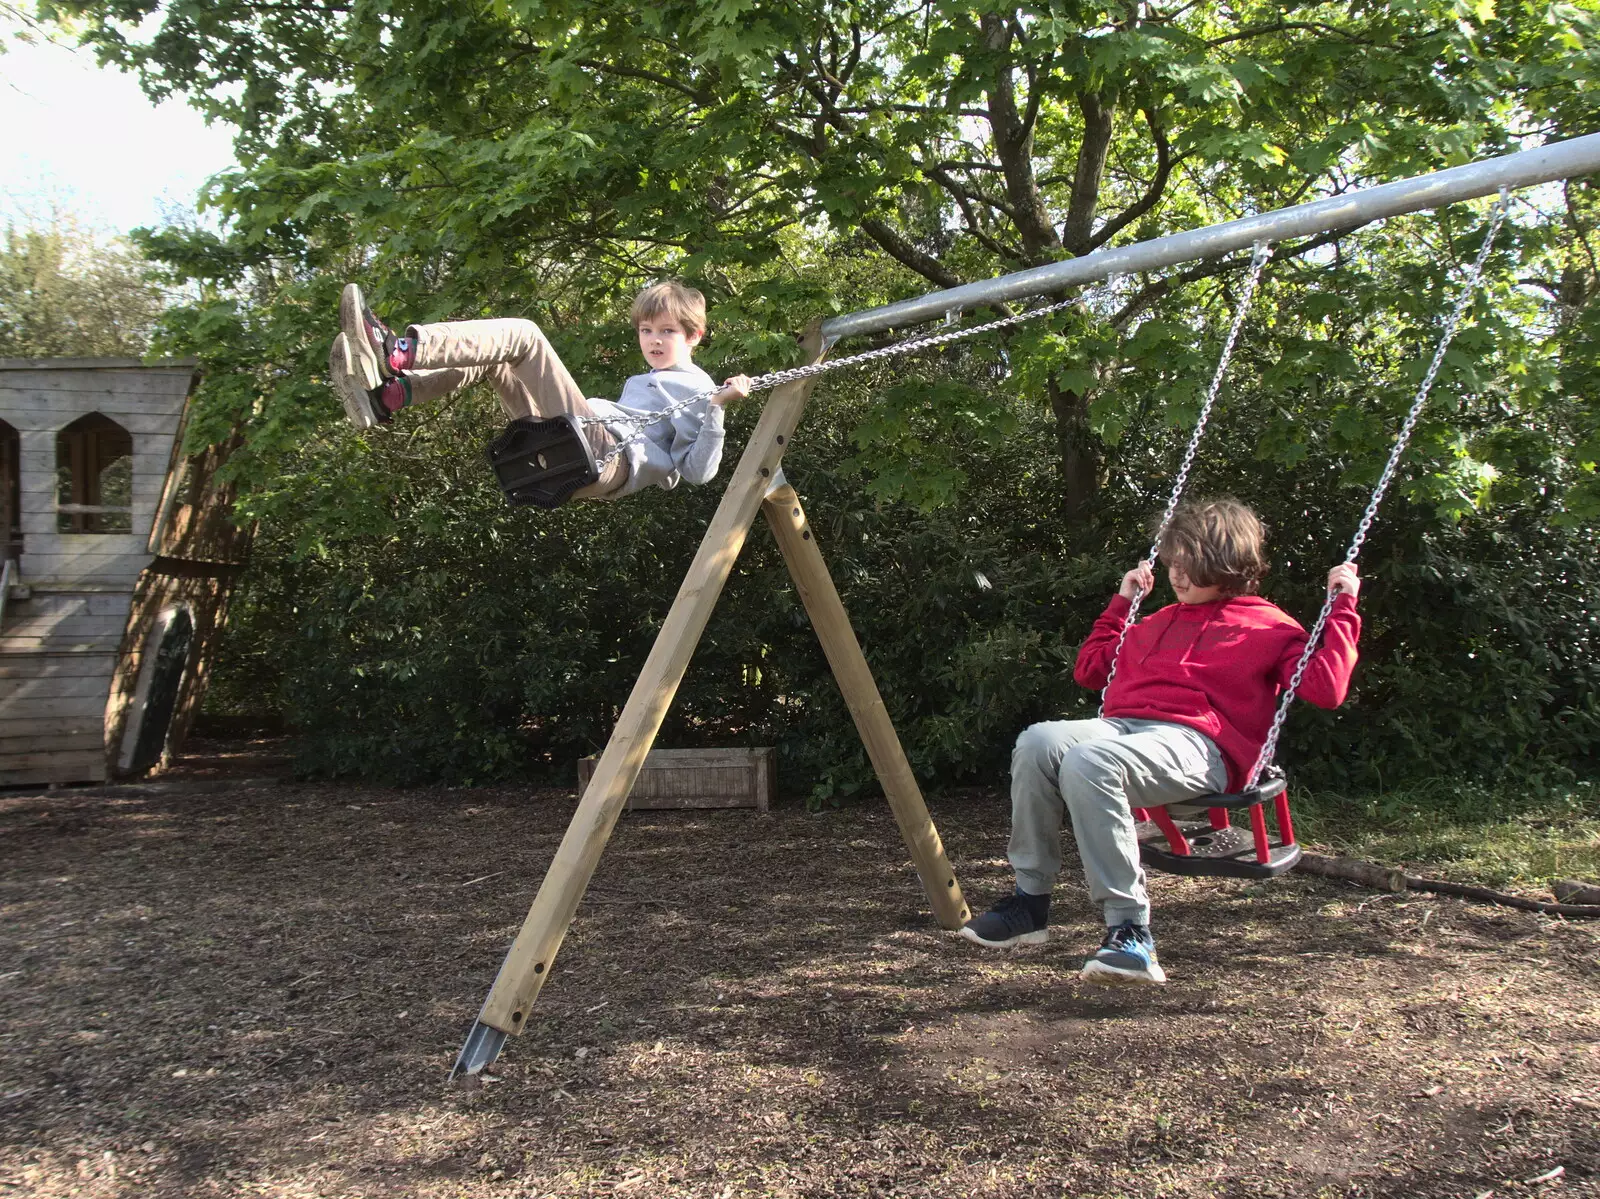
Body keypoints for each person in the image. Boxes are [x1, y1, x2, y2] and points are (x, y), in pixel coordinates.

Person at [960, 497, 1362, 985]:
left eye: (1191, 567)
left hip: (1201, 745)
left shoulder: (1270, 627)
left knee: (1091, 761)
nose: (1178, 576)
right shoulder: (1158, 621)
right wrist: (1124, 602)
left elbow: (1327, 687)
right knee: (1037, 741)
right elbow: (1090, 671)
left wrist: (1343, 607)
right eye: (1174, 563)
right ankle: (1030, 902)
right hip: (1126, 730)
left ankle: (1129, 930)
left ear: (1227, 565)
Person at [327, 280, 752, 500]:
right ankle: (387, 398)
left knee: (525, 336)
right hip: (575, 452)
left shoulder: (695, 386)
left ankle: (395, 349)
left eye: (667, 331)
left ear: (694, 336)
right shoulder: (646, 382)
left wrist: (717, 408)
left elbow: (697, 474)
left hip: (603, 455)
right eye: (646, 330)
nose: (654, 340)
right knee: (494, 357)